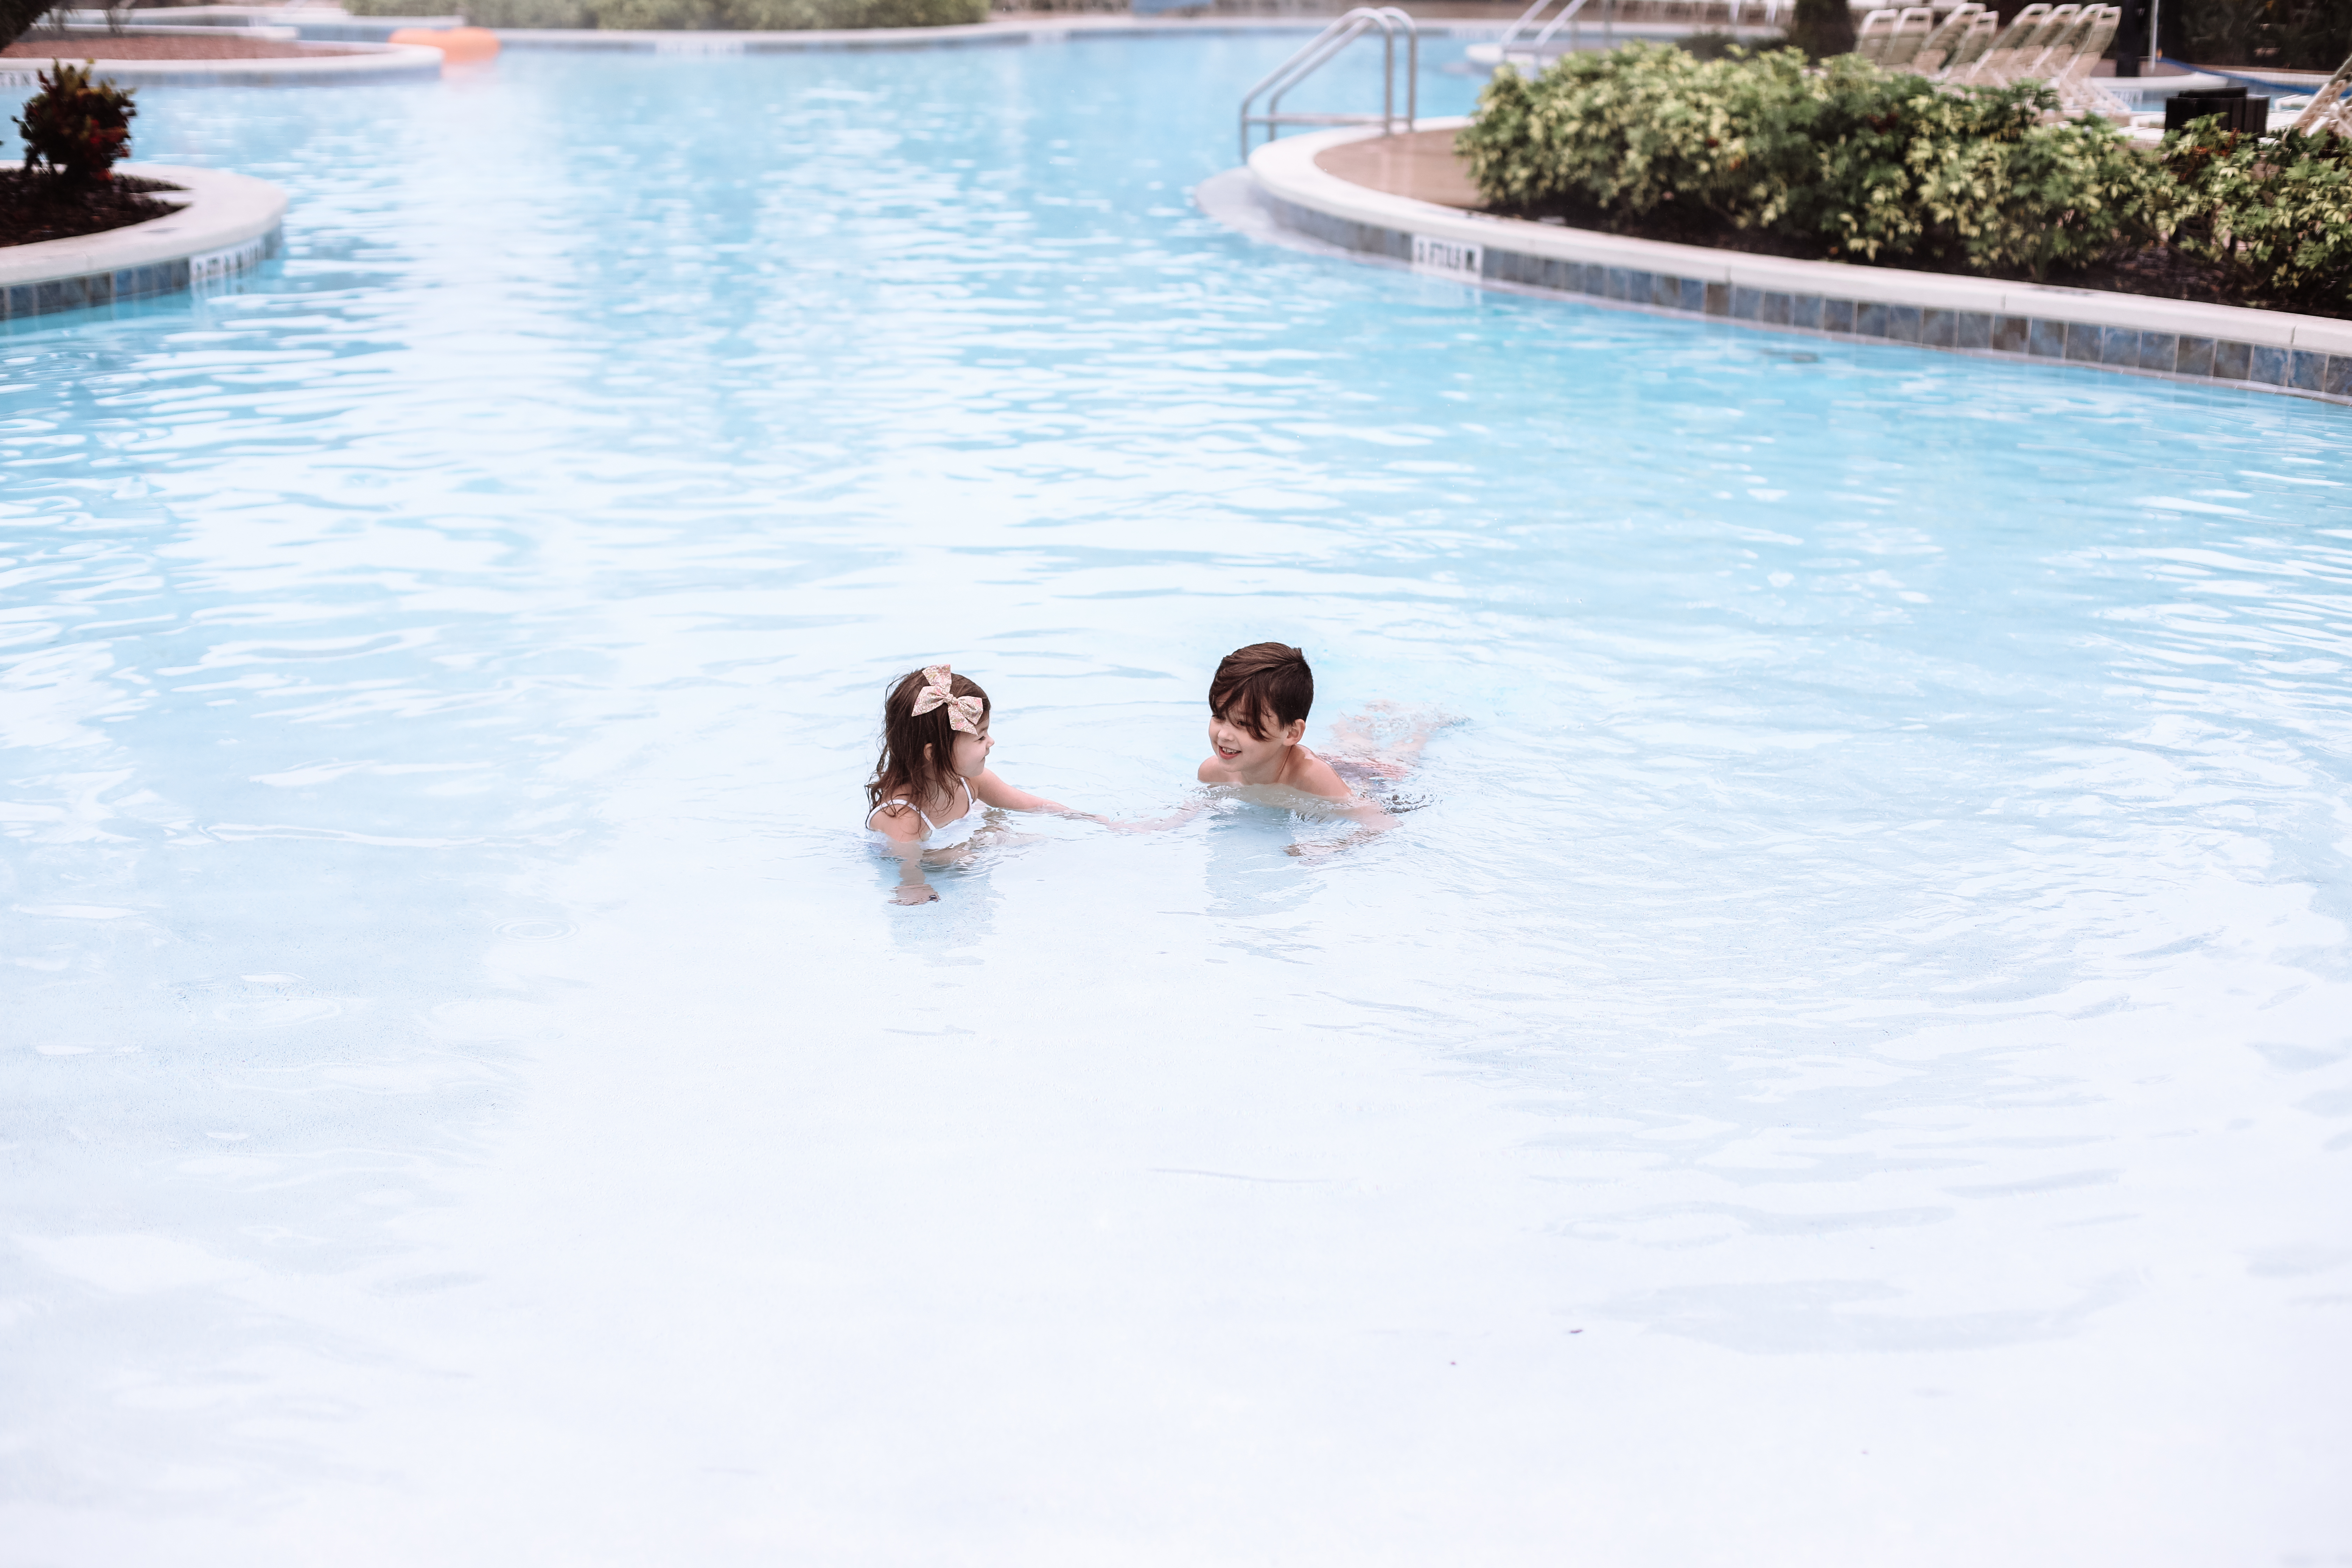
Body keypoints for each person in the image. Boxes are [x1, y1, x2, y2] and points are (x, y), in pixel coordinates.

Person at [1195, 642, 1452, 852]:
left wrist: (1330, 847)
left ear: (1291, 733)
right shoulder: (1213, 772)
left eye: (1243, 724)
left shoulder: (1312, 777)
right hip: (1334, 759)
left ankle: (1426, 723)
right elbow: (1197, 805)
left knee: (1403, 752)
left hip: (1371, 779)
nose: (1224, 735)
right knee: (1351, 743)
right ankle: (1367, 717)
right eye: (1219, 716)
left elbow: (1383, 823)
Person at [866, 663, 1083, 905]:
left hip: (957, 834)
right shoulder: (903, 816)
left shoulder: (971, 781)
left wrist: (1088, 819)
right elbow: (910, 868)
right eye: (980, 737)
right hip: (913, 855)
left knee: (1036, 840)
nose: (991, 742)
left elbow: (1033, 805)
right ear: (934, 754)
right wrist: (922, 881)